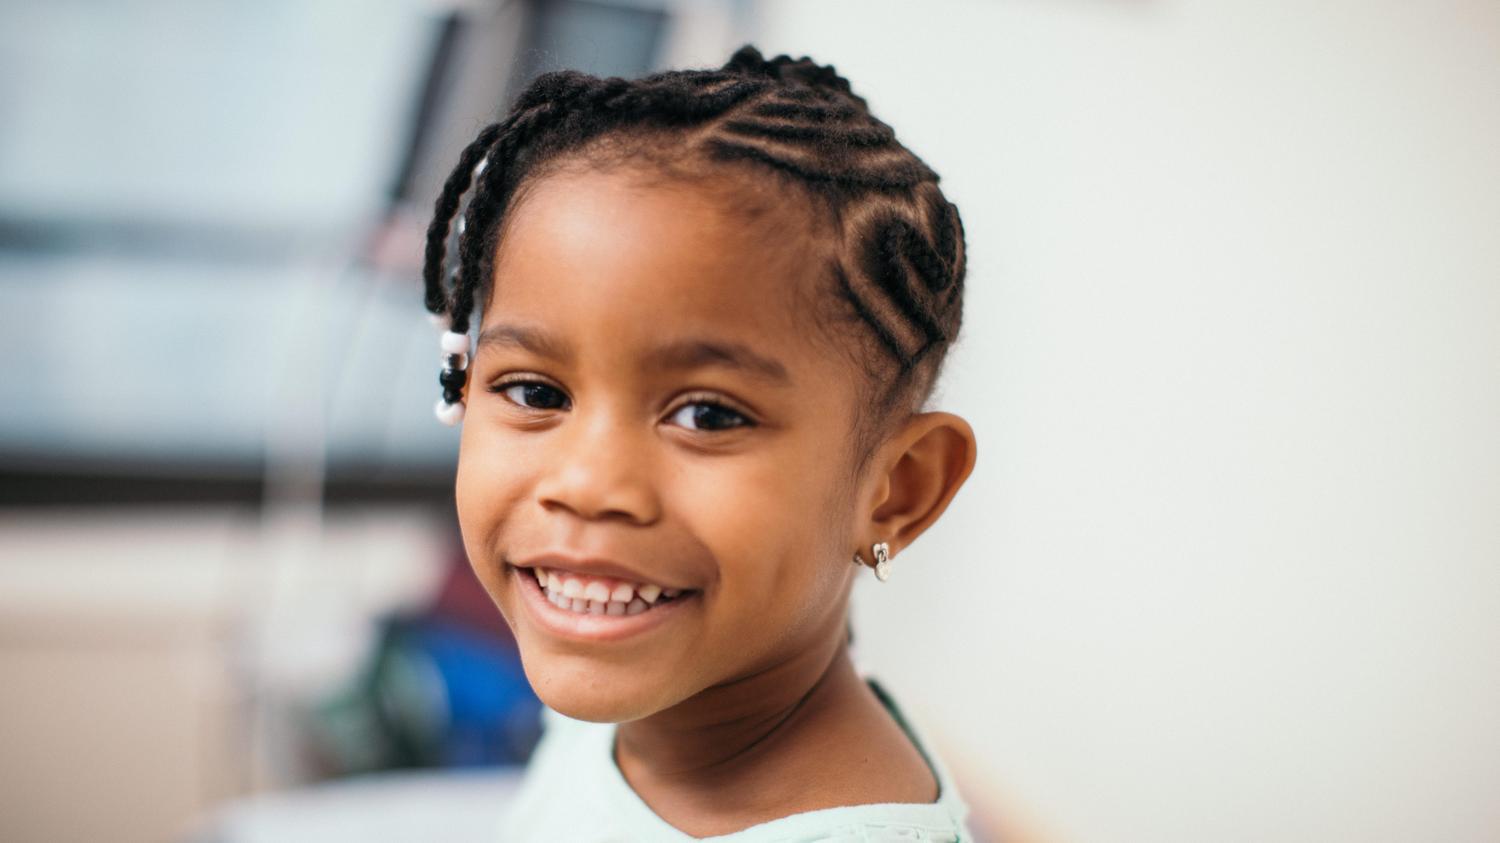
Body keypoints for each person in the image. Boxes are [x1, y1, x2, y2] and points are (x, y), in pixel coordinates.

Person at [419, 43, 980, 841]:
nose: (585, 482)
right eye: (537, 392)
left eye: (707, 415)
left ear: (896, 490)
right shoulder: (631, 686)